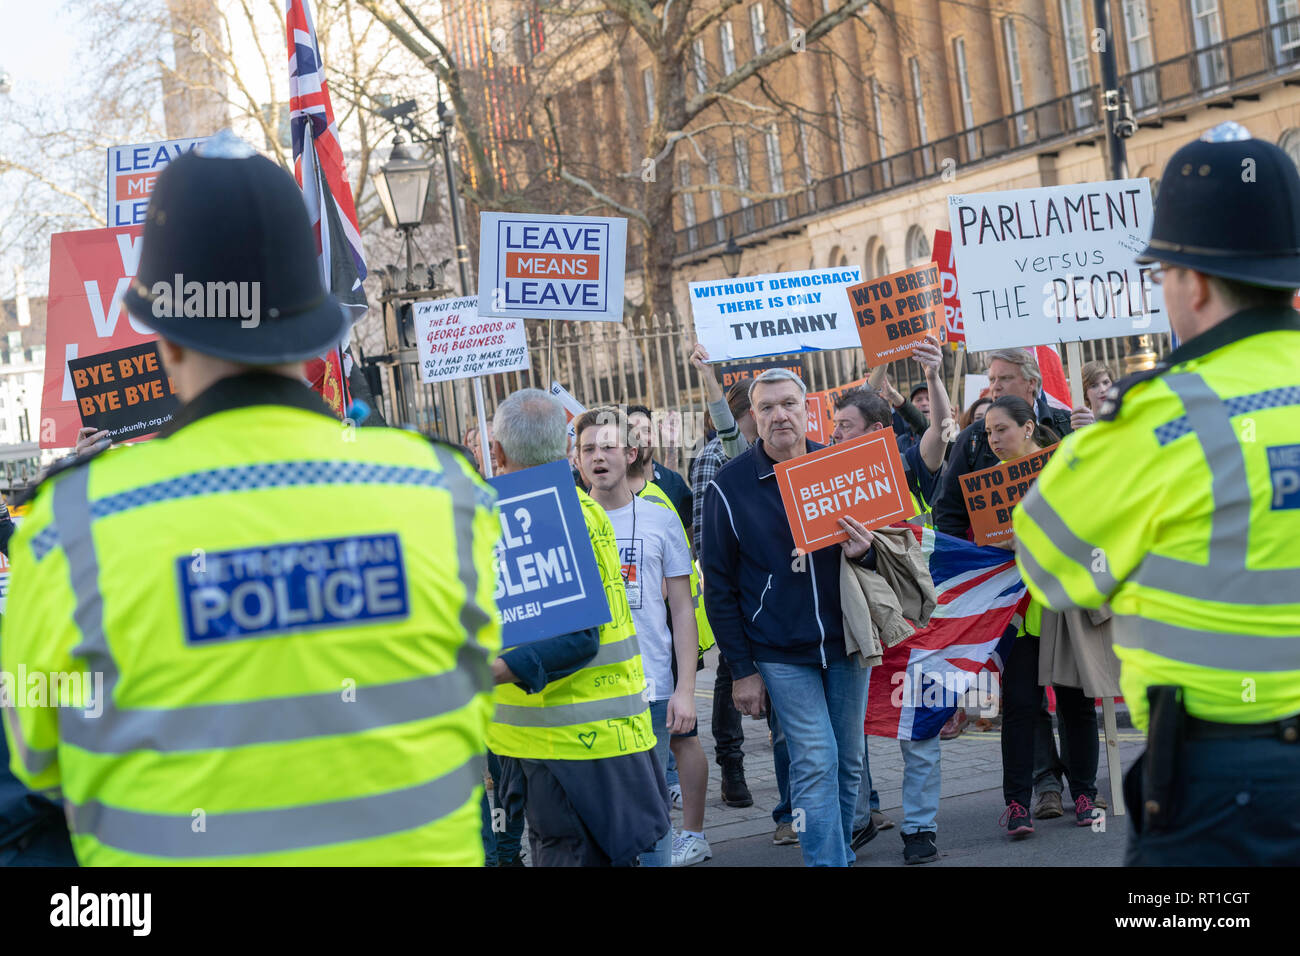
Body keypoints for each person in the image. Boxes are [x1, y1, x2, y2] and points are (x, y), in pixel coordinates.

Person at [1, 137, 500, 865]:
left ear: (164, 336)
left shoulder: (67, 531)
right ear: (314, 335)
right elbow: (468, 694)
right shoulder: (444, 493)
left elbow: (35, 764)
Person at [1014, 124, 1300, 865]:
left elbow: (1047, 559)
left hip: (1224, 781)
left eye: (1162, 273)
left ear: (1194, 282)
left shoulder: (1165, 419)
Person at [702, 367, 879, 867]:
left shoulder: (839, 465)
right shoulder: (729, 487)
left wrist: (864, 551)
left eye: (788, 404)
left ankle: (837, 852)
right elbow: (718, 587)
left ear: (808, 410)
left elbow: (882, 554)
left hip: (845, 642)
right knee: (815, 761)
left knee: (848, 763)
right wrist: (742, 669)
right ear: (752, 418)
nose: (779, 415)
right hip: (779, 651)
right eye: (766, 407)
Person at [486, 390, 669, 867]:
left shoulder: (543, 515)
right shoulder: (573, 509)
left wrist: (491, 671)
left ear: (498, 453)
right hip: (584, 741)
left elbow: (578, 637)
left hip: (570, 748)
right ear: (568, 450)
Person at [575, 407, 712, 866]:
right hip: (585, 695)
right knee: (598, 815)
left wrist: (686, 691)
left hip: (649, 687)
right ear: (576, 459)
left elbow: (682, 611)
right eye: (588, 449)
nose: (598, 457)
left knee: (651, 813)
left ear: (630, 453)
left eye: (608, 447)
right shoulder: (567, 522)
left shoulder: (659, 520)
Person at [829, 378, 944, 864]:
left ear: (876, 430)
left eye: (845, 428)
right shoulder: (821, 477)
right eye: (833, 427)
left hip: (912, 624)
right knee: (850, 734)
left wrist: (934, 378)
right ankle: (857, 821)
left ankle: (920, 828)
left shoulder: (909, 467)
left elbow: (938, 433)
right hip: (856, 626)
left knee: (918, 729)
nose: (834, 437)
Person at [982, 397, 1100, 838]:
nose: (993, 439)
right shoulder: (985, 488)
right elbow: (973, 538)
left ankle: (1085, 793)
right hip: (1016, 615)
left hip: (1061, 607)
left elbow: (1089, 527)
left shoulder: (1063, 472)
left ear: (1029, 427)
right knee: (1020, 708)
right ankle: (1016, 804)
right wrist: (993, 547)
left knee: (1075, 704)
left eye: (1002, 430)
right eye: (988, 432)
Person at [688, 344, 756, 810]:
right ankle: (731, 764)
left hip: (765, 579)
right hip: (732, 580)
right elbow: (702, 524)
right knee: (732, 671)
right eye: (764, 404)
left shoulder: (773, 451)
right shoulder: (718, 453)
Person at [626, 404, 692, 529]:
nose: (641, 438)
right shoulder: (612, 486)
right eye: (633, 431)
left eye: (647, 431)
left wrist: (671, 446)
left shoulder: (674, 482)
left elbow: (692, 533)